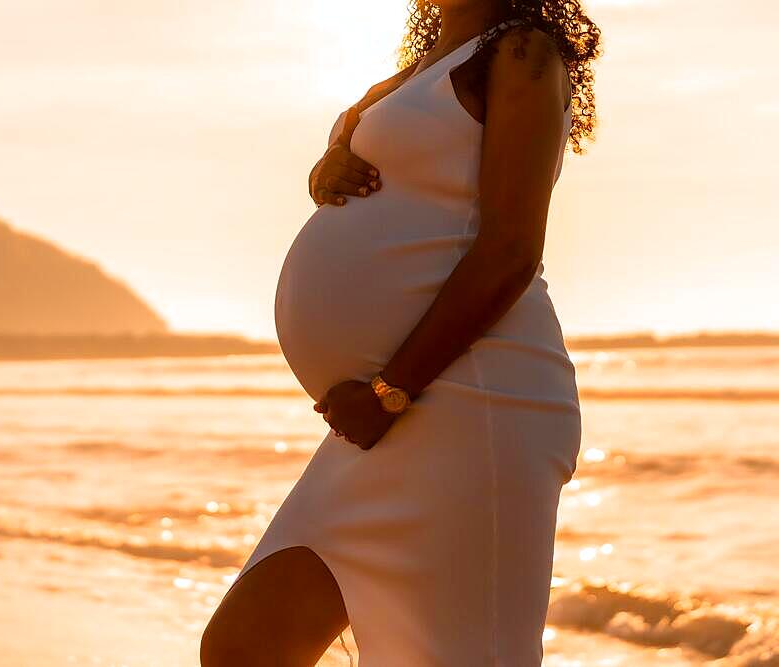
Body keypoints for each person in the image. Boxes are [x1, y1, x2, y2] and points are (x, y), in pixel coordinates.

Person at [202, 0, 601, 664]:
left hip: (475, 399)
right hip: (393, 415)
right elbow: (375, 161)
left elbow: (510, 249)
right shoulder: (416, 70)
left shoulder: (522, 53)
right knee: (245, 646)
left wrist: (391, 389)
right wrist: (325, 165)